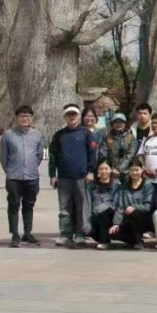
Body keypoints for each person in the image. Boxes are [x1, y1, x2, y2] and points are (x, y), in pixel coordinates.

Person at [48, 104, 98, 248]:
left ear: (78, 116)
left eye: (74, 114)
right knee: (64, 208)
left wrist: (91, 171)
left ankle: (80, 235)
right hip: (64, 178)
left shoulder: (86, 134)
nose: (72, 117)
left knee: (82, 207)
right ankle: (65, 234)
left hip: (82, 177)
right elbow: (53, 156)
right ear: (65, 117)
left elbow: (92, 154)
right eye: (69, 115)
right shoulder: (59, 135)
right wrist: (52, 174)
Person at [1, 105, 45, 247]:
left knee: (29, 205)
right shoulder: (8, 135)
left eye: (27, 116)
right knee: (13, 205)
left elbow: (39, 155)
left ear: (31, 118)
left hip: (32, 177)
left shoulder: (37, 135)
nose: (24, 118)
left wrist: (30, 168)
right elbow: (3, 157)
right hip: (14, 178)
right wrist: (10, 171)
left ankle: (27, 233)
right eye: (21, 116)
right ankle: (15, 234)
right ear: (17, 118)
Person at [109, 161, 153, 250]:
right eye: (132, 170)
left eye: (137, 170)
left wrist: (134, 207)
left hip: (143, 218)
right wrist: (116, 223)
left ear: (142, 170)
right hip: (128, 219)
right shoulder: (124, 187)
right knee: (113, 233)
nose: (135, 172)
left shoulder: (148, 186)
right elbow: (120, 207)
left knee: (135, 213)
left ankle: (138, 241)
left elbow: (147, 206)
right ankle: (135, 240)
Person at [86, 160, 118, 250]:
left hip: (110, 216)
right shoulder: (91, 185)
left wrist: (101, 208)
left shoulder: (116, 184)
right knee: (86, 227)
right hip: (94, 214)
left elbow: (116, 203)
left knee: (104, 213)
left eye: (106, 169)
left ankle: (105, 242)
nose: (104, 171)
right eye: (101, 169)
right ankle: (101, 237)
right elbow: (88, 202)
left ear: (111, 170)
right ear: (97, 170)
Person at [104, 113, 137, 182]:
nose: (118, 124)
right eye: (116, 122)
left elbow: (131, 155)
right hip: (111, 172)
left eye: (121, 122)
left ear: (125, 124)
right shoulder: (108, 138)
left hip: (127, 172)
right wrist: (110, 168)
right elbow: (105, 155)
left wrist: (119, 169)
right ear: (112, 124)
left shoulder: (130, 137)